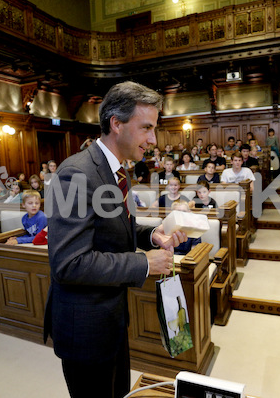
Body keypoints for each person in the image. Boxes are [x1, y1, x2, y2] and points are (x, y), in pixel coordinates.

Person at [43, 81, 186, 398]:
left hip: (111, 317)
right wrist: (144, 263)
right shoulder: (76, 173)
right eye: (146, 128)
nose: (153, 140)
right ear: (116, 124)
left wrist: (152, 235)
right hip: (85, 326)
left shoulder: (119, 170)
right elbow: (69, 263)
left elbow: (113, 228)